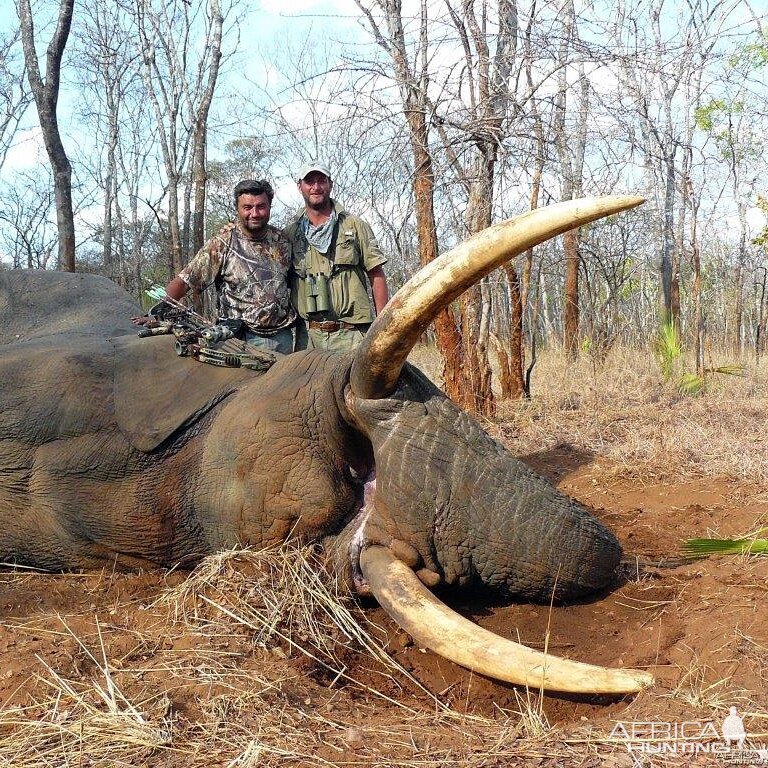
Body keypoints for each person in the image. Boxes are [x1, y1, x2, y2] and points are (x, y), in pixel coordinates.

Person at [132, 179, 296, 354]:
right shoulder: (222, 242)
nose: (255, 213)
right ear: (237, 209)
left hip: (281, 337)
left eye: (261, 206)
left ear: (269, 206)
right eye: (247, 207)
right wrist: (155, 314)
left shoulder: (284, 241)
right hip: (237, 339)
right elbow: (185, 281)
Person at [284, 162, 389, 352]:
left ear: (330, 184)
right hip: (309, 337)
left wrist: (384, 327)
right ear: (300, 186)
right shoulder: (289, 235)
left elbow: (376, 273)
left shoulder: (355, 226)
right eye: (309, 181)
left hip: (352, 335)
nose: (316, 187)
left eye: (321, 181)